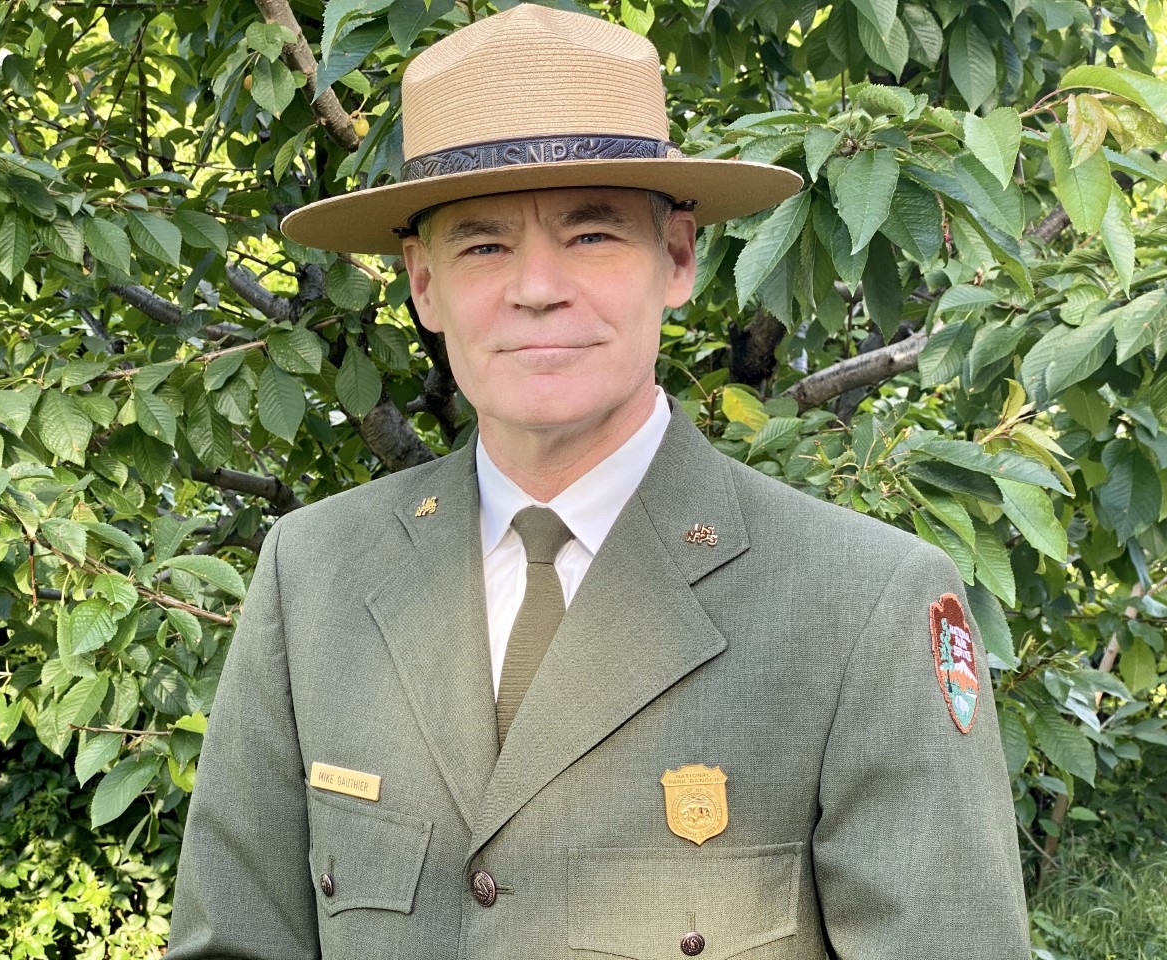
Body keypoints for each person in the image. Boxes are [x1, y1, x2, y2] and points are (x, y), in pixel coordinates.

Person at [166, 5, 1030, 959]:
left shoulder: (858, 606)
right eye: (484, 245)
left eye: (590, 237)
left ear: (676, 258)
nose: (537, 287)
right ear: (422, 283)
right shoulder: (315, 575)